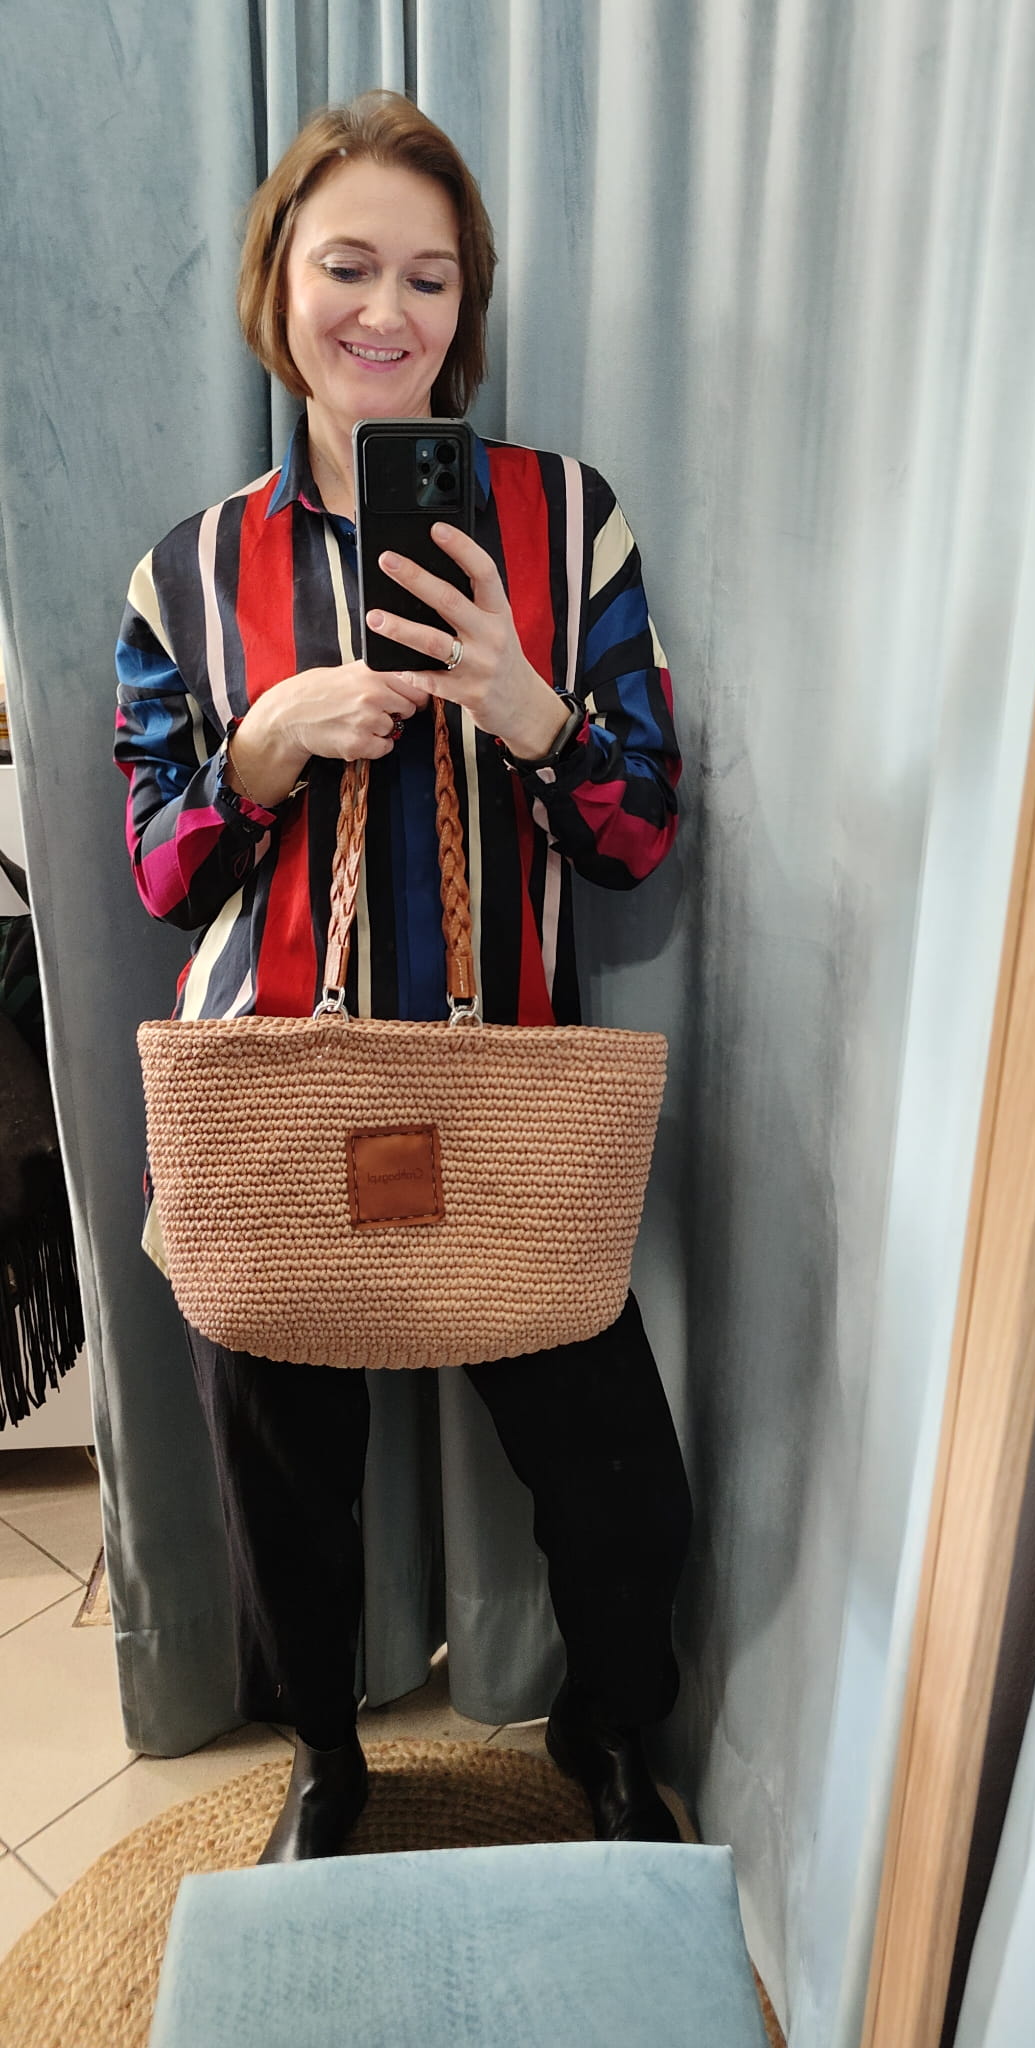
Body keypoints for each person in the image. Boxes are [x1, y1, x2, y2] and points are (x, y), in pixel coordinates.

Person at [115, 90, 692, 1863]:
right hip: (271, 1096)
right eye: (347, 264)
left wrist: (530, 710)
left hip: (508, 1090)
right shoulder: (189, 572)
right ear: (276, 282)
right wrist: (263, 747)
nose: (387, 312)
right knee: (279, 1485)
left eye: (430, 278)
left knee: (618, 1486)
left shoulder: (567, 520)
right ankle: (325, 1757)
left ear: (470, 304)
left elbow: (640, 834)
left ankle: (605, 1730)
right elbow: (159, 871)